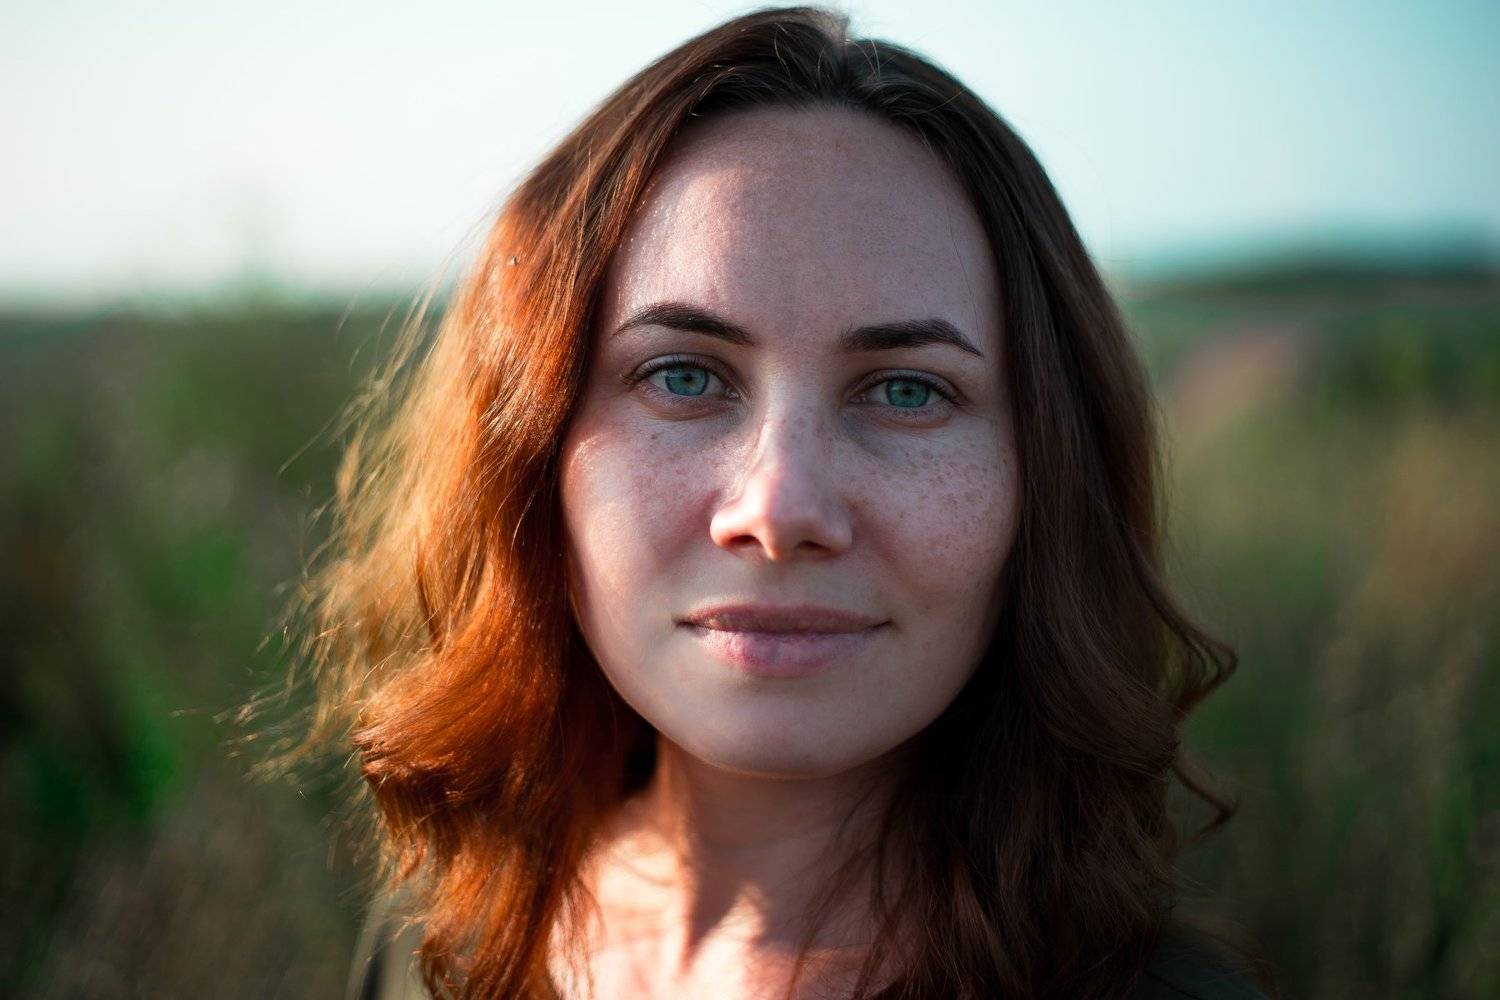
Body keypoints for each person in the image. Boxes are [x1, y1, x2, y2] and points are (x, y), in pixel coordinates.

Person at [274, 5, 1279, 998]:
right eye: (682, 376)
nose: (780, 507)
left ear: (1044, 477)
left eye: (906, 390)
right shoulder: (444, 941)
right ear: (531, 454)